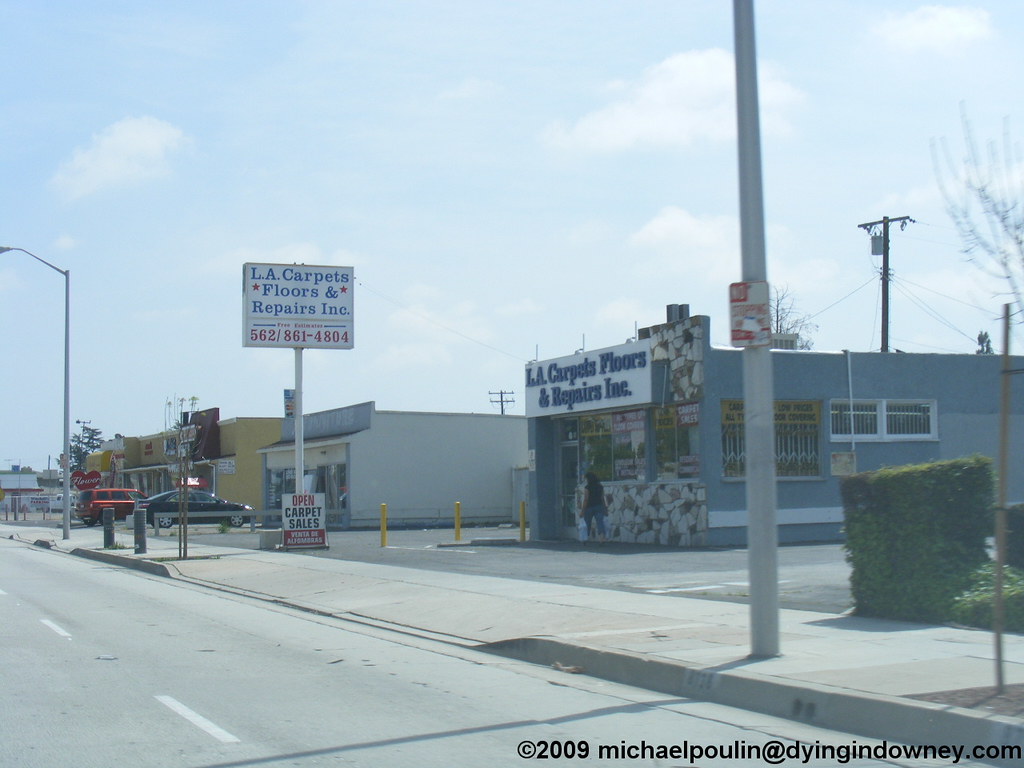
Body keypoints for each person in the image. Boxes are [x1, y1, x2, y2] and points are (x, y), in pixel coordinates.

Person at [580, 471, 608, 543]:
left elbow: (586, 499)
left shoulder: (587, 487)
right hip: (599, 506)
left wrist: (583, 511)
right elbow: (602, 498)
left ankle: (585, 538)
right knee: (600, 522)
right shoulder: (600, 487)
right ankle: (602, 538)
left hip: (589, 507)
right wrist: (605, 509)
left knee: (587, 523)